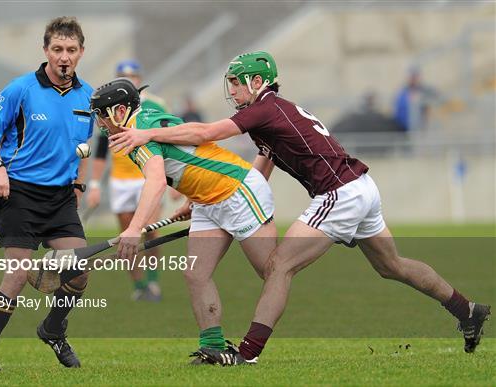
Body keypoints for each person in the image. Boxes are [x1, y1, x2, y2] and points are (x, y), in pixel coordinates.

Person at [108, 51, 491, 365]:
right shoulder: (274, 113)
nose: (234, 90)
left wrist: (146, 133)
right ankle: (467, 310)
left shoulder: (263, 109)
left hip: (339, 194)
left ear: (258, 83)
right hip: (361, 188)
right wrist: (223, 196)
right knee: (393, 266)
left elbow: (206, 132)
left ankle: (247, 354)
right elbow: (266, 160)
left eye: (238, 83)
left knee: (280, 266)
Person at [89, 77, 277, 364]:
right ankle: (213, 347)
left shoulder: (137, 132)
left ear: (119, 111)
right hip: (206, 200)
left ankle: (328, 231)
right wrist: (191, 193)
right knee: (195, 273)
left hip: (236, 190)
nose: (101, 124)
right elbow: (185, 154)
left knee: (274, 273)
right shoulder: (145, 119)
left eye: (102, 115)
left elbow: (155, 182)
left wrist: (134, 228)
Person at [0, 16, 94, 372]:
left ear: (81, 52)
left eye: (71, 50)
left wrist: (78, 184)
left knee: (80, 271)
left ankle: (53, 329)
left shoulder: (88, 97)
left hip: (60, 199)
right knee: (16, 274)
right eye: (57, 49)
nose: (64, 57)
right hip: (20, 194)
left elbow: (84, 146)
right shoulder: (20, 89)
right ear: (46, 51)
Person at [86, 60, 169, 302]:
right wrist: (93, 185)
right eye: (123, 75)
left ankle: (153, 283)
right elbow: (101, 150)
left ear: (139, 78)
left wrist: (176, 184)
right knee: (126, 234)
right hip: (120, 180)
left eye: (133, 75)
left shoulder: (155, 104)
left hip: (147, 176)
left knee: (150, 230)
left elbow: (166, 137)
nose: (129, 79)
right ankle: (139, 285)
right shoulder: (108, 107)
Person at [393, 66, 440, 132]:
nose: (413, 79)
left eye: (415, 76)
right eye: (412, 77)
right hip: (404, 127)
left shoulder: (424, 90)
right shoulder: (403, 92)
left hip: (419, 127)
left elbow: (436, 97)